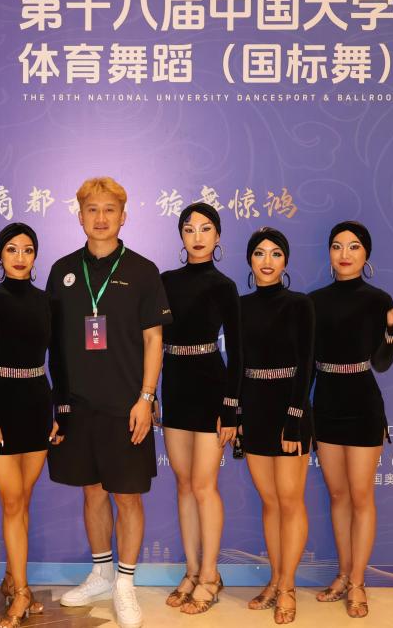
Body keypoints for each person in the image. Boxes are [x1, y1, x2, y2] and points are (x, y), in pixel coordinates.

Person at [46, 177, 171, 628]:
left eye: (109, 210)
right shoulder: (62, 271)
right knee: (92, 492)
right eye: (92, 209)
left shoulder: (143, 270)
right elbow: (52, 345)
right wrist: (56, 405)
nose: (100, 218)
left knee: (128, 497)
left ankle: (125, 584)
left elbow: (154, 339)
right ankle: (101, 573)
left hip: (126, 406)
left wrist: (146, 398)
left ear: (124, 216)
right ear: (80, 216)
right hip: (78, 407)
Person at [309, 220, 393, 619]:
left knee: (360, 496)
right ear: (329, 253)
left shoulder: (378, 300)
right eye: (337, 246)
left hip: (363, 406)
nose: (345, 254)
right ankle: (343, 575)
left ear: (366, 254)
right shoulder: (313, 301)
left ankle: (358, 582)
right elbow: (308, 365)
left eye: (354, 246)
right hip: (326, 406)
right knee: (337, 496)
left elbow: (382, 363)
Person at [0, 223, 67, 628]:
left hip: (37, 404)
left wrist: (61, 409)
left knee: (23, 501)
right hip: (1, 407)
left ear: (35, 255)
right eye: (11, 249)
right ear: (0, 254)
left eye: (27, 249)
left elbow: (58, 360)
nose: (20, 256)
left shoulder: (48, 302)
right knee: (12, 501)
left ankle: (12, 578)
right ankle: (24, 592)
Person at [158, 202, 241, 615]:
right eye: (189, 228)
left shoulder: (224, 286)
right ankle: (191, 571)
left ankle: (210, 575)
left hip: (212, 389)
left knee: (205, 485)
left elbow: (238, 351)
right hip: (174, 386)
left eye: (206, 228)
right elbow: (151, 340)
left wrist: (231, 407)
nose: (197, 236)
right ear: (181, 235)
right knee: (184, 484)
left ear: (218, 236)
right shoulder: (165, 281)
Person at [239, 227, 314, 624]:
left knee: (290, 500)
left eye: (275, 254)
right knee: (270, 501)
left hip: (289, 410)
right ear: (249, 261)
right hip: (255, 410)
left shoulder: (300, 305)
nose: (267, 261)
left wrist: (294, 418)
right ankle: (274, 579)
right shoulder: (240, 306)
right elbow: (237, 365)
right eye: (259, 254)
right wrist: (237, 415)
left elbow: (307, 364)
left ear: (286, 261)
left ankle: (287, 586)